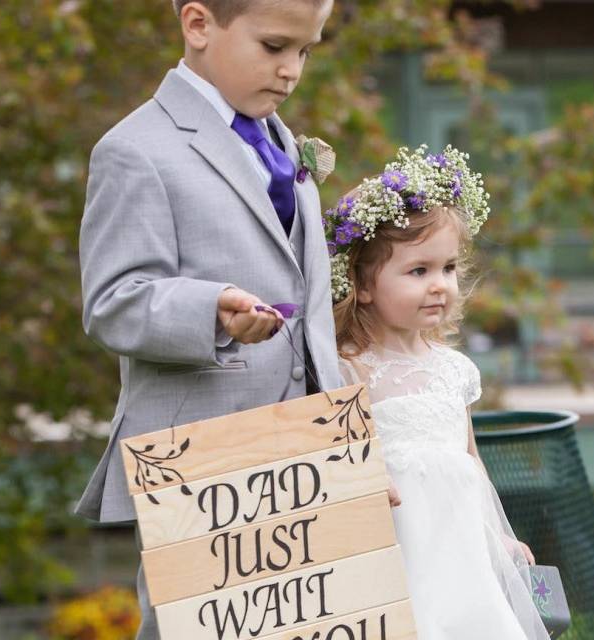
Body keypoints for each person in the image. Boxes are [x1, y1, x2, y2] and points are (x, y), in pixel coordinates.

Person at [76, 1, 339, 637]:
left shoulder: (284, 143)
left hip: (311, 444)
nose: (291, 71)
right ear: (198, 25)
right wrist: (211, 310)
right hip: (201, 450)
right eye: (274, 46)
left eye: (305, 52)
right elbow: (112, 300)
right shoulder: (134, 150)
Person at [326, 146, 551, 640]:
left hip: (461, 552)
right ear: (363, 285)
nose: (439, 285)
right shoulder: (348, 370)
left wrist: (501, 540)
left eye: (448, 268)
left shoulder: (455, 370)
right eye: (418, 271)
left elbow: (469, 462)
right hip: (397, 548)